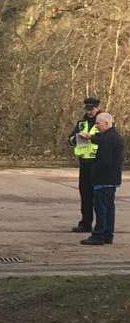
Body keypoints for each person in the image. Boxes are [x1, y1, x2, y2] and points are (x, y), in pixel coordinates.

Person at [79, 112, 124, 245]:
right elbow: (99, 139)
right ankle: (107, 235)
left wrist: (92, 171)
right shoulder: (113, 136)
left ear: (106, 123)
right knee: (109, 208)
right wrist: (90, 137)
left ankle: (99, 235)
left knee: (101, 208)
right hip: (112, 179)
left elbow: (105, 161)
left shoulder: (108, 139)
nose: (96, 126)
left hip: (103, 179)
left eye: (98, 123)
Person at [68, 97, 101, 232]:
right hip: (84, 163)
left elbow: (109, 140)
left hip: (98, 163)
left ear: (97, 108)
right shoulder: (81, 123)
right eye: (87, 109)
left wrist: (91, 137)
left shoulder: (103, 122)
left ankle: (100, 225)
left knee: (99, 196)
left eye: (92, 109)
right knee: (85, 195)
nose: (90, 112)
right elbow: (70, 139)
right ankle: (85, 223)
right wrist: (76, 139)